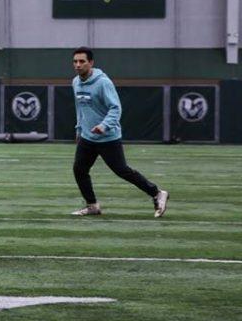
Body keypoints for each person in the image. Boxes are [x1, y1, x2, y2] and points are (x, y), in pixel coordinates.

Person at [70, 47, 169, 217]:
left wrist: (104, 126)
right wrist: (79, 129)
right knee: (79, 169)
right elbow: (80, 108)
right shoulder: (75, 82)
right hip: (88, 137)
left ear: (91, 63)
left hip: (108, 137)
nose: (78, 65)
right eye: (75, 61)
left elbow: (115, 108)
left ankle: (157, 193)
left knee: (122, 170)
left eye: (82, 61)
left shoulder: (103, 82)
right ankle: (92, 205)